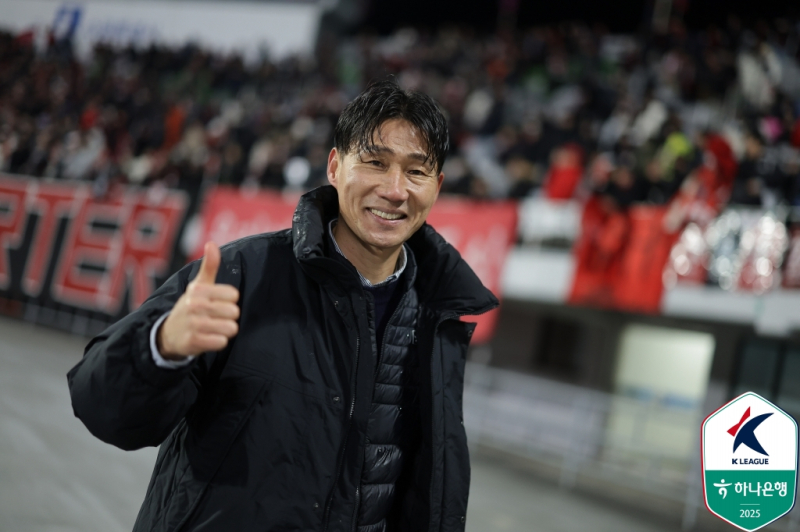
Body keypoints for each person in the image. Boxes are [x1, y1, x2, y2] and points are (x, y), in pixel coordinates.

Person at [67, 78, 497, 532]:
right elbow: (103, 409)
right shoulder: (239, 275)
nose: (395, 189)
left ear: (437, 185)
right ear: (335, 167)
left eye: (416, 172)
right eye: (375, 162)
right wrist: (161, 348)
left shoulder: (436, 318)